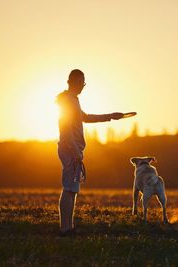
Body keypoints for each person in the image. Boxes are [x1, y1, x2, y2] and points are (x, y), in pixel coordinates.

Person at [56, 69, 124, 236]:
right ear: (70, 82)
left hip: (74, 149)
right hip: (70, 149)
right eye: (80, 83)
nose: (82, 86)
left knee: (72, 189)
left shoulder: (73, 100)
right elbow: (65, 129)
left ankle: (69, 227)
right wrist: (75, 151)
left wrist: (110, 116)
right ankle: (65, 229)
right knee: (68, 188)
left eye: (83, 83)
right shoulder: (67, 101)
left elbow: (85, 117)